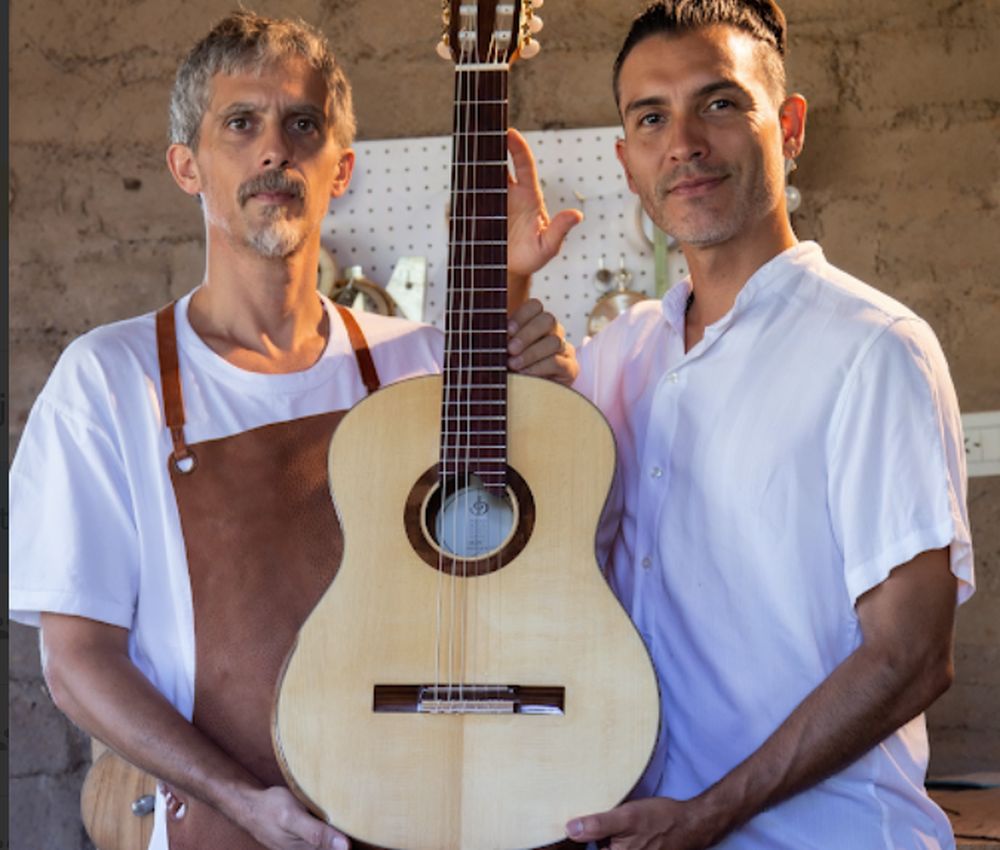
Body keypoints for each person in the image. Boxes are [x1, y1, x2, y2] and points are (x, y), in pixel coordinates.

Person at [8, 11, 581, 850]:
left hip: (421, 815)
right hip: (224, 828)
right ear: (186, 167)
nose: (274, 149)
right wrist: (242, 799)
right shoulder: (108, 379)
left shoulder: (422, 366)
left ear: (341, 168)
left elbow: (520, 580)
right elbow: (77, 662)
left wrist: (534, 364)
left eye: (301, 124)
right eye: (240, 124)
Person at [545, 2, 973, 849]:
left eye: (720, 104)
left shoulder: (874, 350)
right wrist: (515, 300)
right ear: (628, 159)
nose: (685, 144)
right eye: (651, 118)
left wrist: (710, 815)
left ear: (791, 125)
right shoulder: (615, 357)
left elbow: (911, 656)